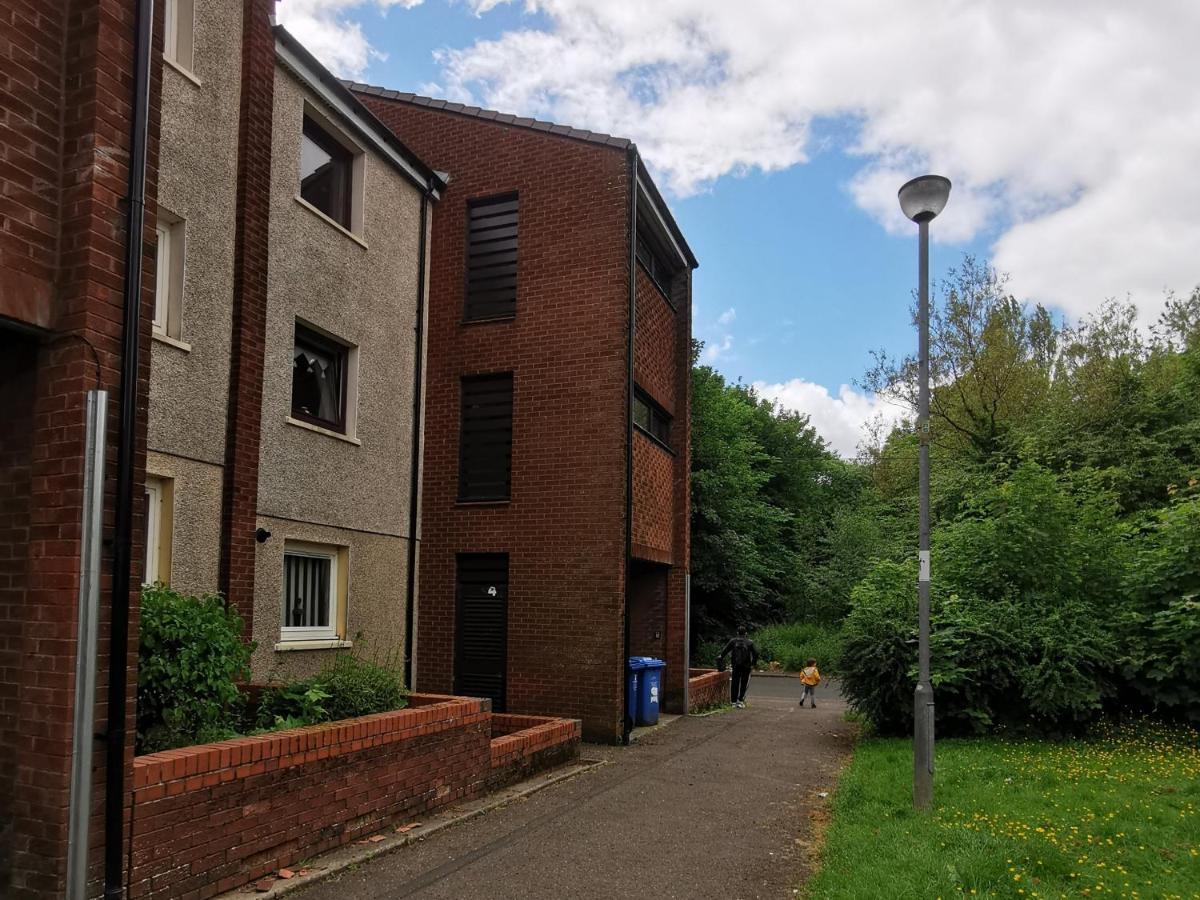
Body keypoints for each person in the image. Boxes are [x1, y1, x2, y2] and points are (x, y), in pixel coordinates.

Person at [718, 626, 759, 708]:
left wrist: (721, 657)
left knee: (735, 683)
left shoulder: (733, 641)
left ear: (737, 633)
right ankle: (740, 701)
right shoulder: (750, 642)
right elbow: (756, 653)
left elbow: (725, 651)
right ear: (746, 633)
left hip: (736, 665)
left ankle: (733, 702)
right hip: (746, 666)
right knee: (744, 683)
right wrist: (753, 663)